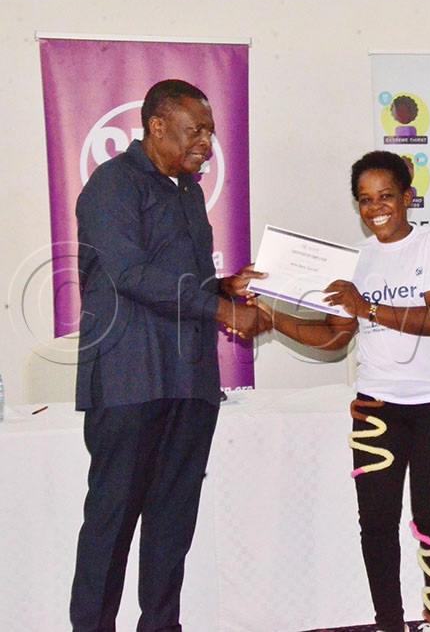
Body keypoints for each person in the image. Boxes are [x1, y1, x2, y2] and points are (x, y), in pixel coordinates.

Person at [70, 79, 270, 631]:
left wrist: (225, 287)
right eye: (195, 130)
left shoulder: (187, 190)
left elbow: (189, 280)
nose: (206, 142)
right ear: (156, 126)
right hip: (130, 380)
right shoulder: (112, 185)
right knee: (111, 523)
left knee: (172, 523)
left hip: (189, 381)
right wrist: (219, 311)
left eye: (209, 130)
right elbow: (130, 273)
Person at [260, 150, 430, 632]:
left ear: (407, 198)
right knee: (375, 522)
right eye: (364, 200)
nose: (376, 208)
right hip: (376, 406)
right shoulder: (356, 261)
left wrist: (369, 308)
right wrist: (273, 319)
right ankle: (389, 623)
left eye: (386, 197)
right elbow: (335, 336)